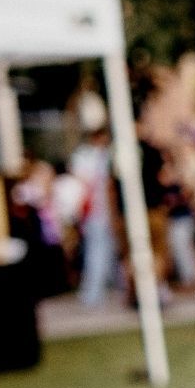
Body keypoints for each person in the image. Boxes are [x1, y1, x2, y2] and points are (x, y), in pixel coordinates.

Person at [69, 128, 116, 307]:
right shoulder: (90, 158)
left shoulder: (100, 156)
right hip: (95, 212)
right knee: (96, 252)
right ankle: (93, 293)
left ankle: (102, 289)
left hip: (101, 212)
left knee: (105, 252)